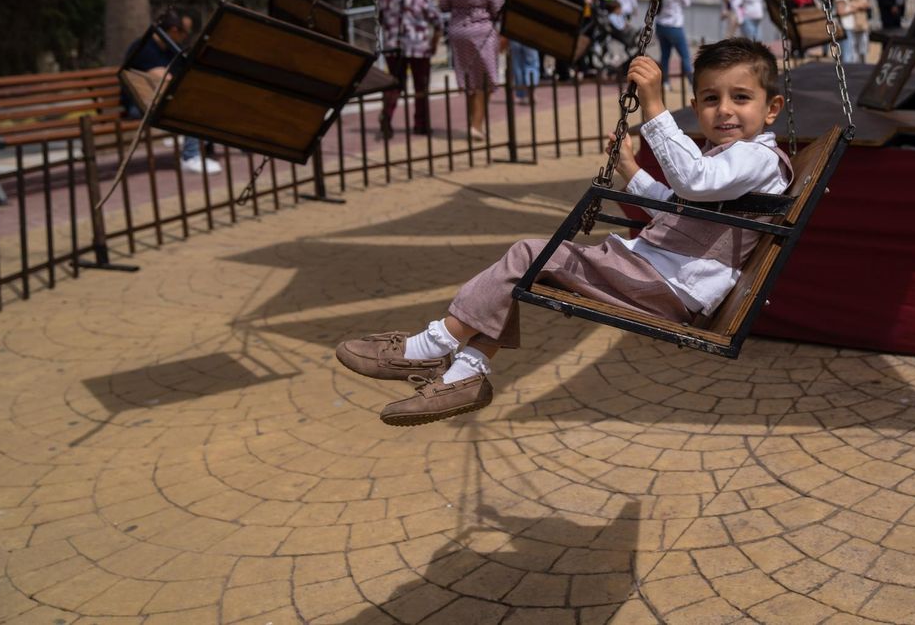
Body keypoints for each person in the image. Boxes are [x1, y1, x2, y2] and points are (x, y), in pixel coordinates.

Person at [333, 39, 790, 425]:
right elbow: (679, 205)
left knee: (531, 255)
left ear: (771, 109)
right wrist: (631, 169)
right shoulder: (730, 158)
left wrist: (653, 107)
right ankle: (465, 374)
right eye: (711, 99)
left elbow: (692, 184)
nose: (724, 110)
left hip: (668, 287)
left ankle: (433, 346)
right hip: (660, 278)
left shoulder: (756, 158)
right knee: (532, 267)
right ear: (697, 106)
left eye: (740, 98)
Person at [122, 9, 220, 174]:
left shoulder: (170, 48)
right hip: (138, 104)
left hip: (161, 99)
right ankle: (190, 157)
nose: (184, 38)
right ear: (174, 31)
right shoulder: (144, 48)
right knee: (189, 107)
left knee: (203, 99)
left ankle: (206, 148)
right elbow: (162, 78)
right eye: (183, 33)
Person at [440, 0, 506, 141]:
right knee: (485, 80)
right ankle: (476, 126)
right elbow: (498, 8)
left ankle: (472, 122)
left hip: (458, 31)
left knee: (469, 79)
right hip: (481, 31)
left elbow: (443, 4)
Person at [377, 0, 443, 138]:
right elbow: (436, 20)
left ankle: (387, 115)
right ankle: (420, 124)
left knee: (395, 84)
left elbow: (381, 18)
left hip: (393, 46)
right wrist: (435, 41)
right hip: (418, 47)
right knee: (421, 87)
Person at [656, 0, 693, 82]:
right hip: (674, 25)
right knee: (685, 55)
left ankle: (665, 82)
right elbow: (687, 2)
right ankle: (691, 81)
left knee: (665, 55)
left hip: (660, 24)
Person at [833, 0, 872, 64]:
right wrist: (860, 6)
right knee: (852, 52)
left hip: (862, 22)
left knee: (862, 50)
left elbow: (865, 2)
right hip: (853, 23)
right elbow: (846, 3)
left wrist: (864, 5)